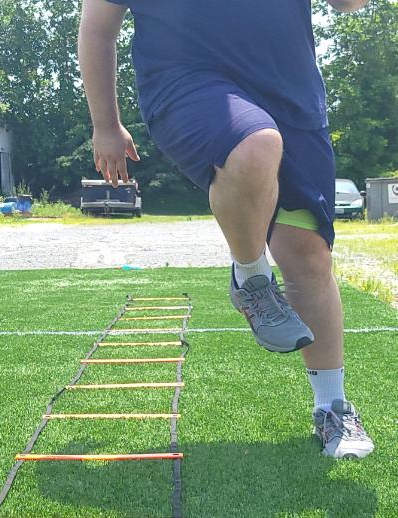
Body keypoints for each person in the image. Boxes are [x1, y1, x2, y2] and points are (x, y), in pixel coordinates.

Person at [79, 0, 374, 459]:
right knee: (255, 145)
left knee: (308, 255)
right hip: (186, 82)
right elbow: (98, 29)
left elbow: (350, 4)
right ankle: (251, 277)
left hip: (290, 92)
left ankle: (331, 408)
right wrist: (105, 124)